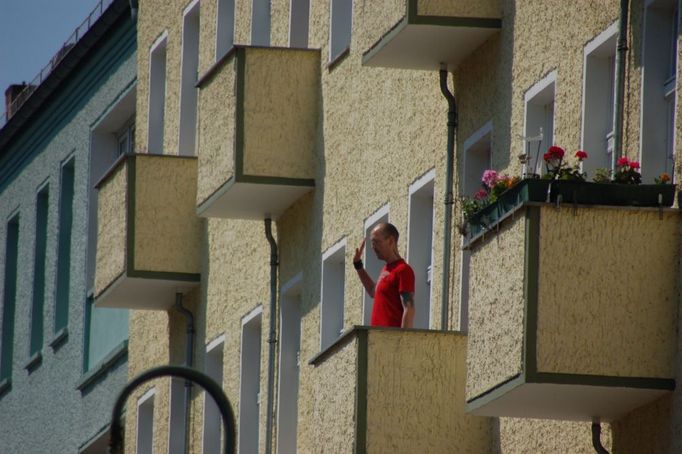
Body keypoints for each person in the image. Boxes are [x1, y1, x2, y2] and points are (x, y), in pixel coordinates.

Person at [353, 222, 415, 328]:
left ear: (390, 241)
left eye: (376, 242)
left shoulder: (403, 270)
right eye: (372, 243)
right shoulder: (386, 269)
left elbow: (409, 308)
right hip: (377, 338)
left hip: (390, 340)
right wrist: (358, 266)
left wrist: (404, 341)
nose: (373, 247)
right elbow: (373, 291)